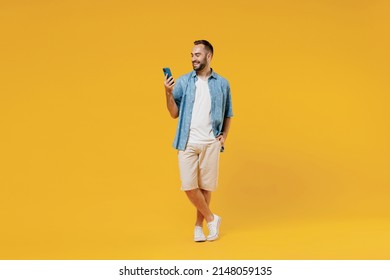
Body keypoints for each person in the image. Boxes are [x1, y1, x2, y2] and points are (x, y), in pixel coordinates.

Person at [163, 40, 233, 242]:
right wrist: (167, 92)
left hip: (211, 142)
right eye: (192, 55)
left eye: (197, 55)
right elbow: (173, 113)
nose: (193, 58)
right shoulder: (184, 82)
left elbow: (228, 113)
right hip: (187, 141)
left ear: (208, 56)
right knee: (188, 185)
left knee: (205, 187)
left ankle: (198, 227)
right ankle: (212, 218)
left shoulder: (222, 83)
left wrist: (224, 136)